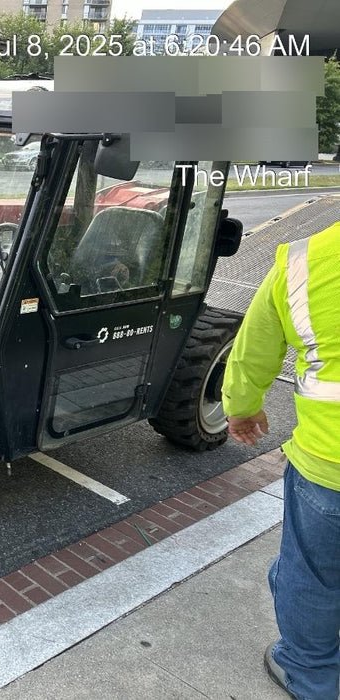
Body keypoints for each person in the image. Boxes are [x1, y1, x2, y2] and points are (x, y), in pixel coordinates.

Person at [222, 219, 340, 700]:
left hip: (328, 464)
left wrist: (241, 410)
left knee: (309, 576)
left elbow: (252, 356)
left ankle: (311, 674)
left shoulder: (305, 261)